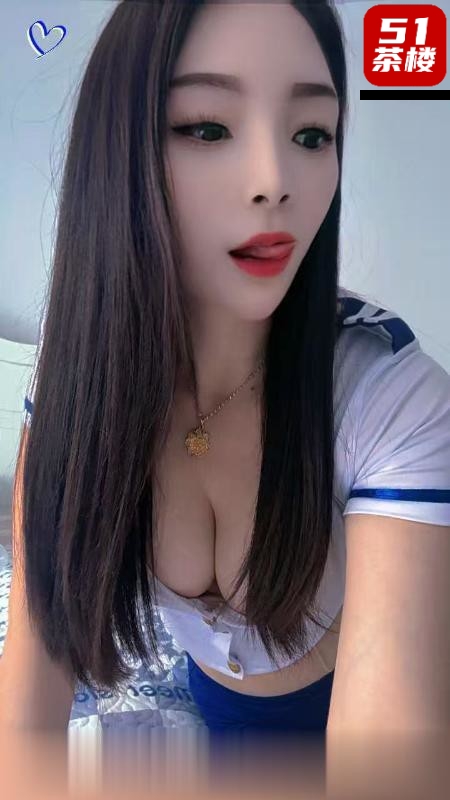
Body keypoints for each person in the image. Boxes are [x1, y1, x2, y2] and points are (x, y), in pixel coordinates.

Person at [2, 0, 449, 756]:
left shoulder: (392, 400)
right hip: (222, 714)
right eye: (207, 128)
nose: (275, 181)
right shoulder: (76, 372)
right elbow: (29, 693)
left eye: (312, 134)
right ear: (120, 152)